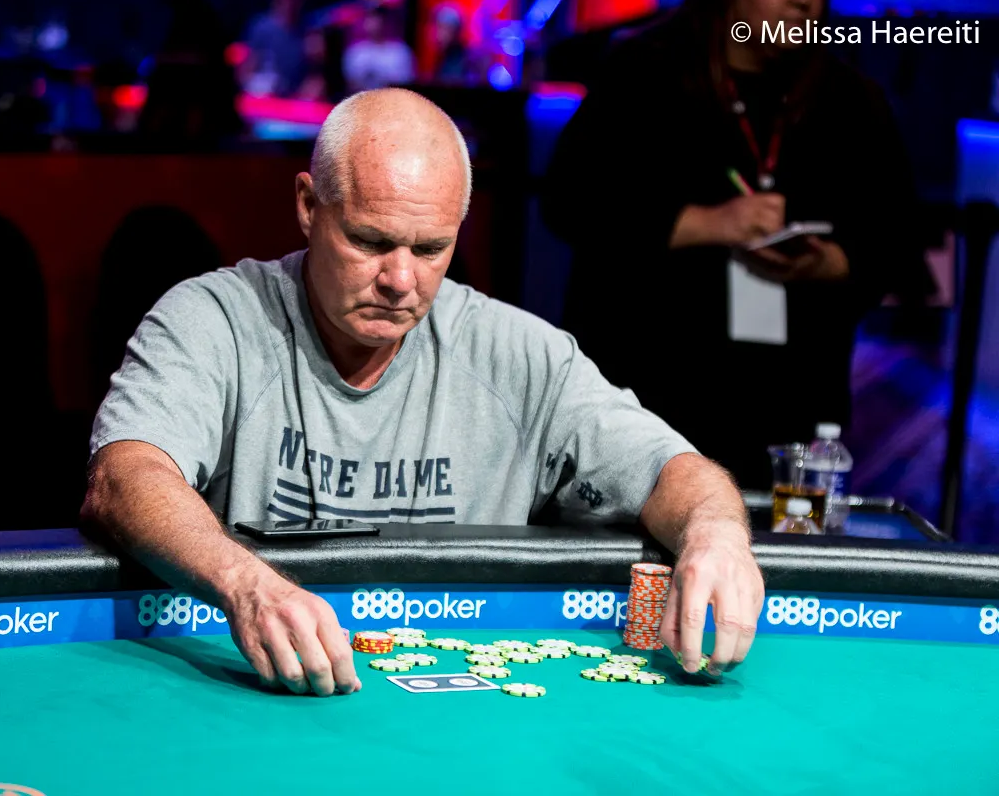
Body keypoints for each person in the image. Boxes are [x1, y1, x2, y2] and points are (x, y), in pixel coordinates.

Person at [83, 88, 764, 698]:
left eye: (431, 249)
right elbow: (125, 476)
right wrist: (246, 585)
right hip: (263, 692)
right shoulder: (215, 320)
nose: (400, 280)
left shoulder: (521, 355)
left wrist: (716, 534)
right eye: (370, 241)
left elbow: (674, 472)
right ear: (308, 207)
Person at [542, 0, 932, 490]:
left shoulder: (848, 98)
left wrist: (829, 262)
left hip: (787, 412)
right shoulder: (646, 72)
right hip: (647, 396)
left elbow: (898, 239)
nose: (804, 1)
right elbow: (570, 201)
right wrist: (706, 223)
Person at [342, 7, 414, 93]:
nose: (375, 25)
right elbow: (351, 83)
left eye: (378, 20)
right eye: (371, 20)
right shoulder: (355, 52)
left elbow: (406, 83)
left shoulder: (400, 51)